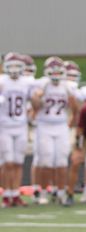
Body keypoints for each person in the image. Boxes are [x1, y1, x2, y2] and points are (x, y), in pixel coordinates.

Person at [30, 57, 78, 205]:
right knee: (46, 161)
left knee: (62, 160)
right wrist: (37, 96)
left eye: (59, 72)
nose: (56, 75)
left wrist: (71, 123)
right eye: (53, 72)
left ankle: (61, 192)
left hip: (61, 126)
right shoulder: (42, 84)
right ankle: (44, 192)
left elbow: (75, 107)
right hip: (44, 125)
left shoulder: (67, 86)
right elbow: (36, 107)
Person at [0, 52, 33, 207]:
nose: (13, 69)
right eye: (10, 65)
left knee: (19, 162)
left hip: (21, 126)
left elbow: (36, 99)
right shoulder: (2, 82)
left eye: (16, 66)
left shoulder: (27, 82)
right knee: (8, 162)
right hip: (5, 127)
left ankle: (16, 193)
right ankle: (7, 194)